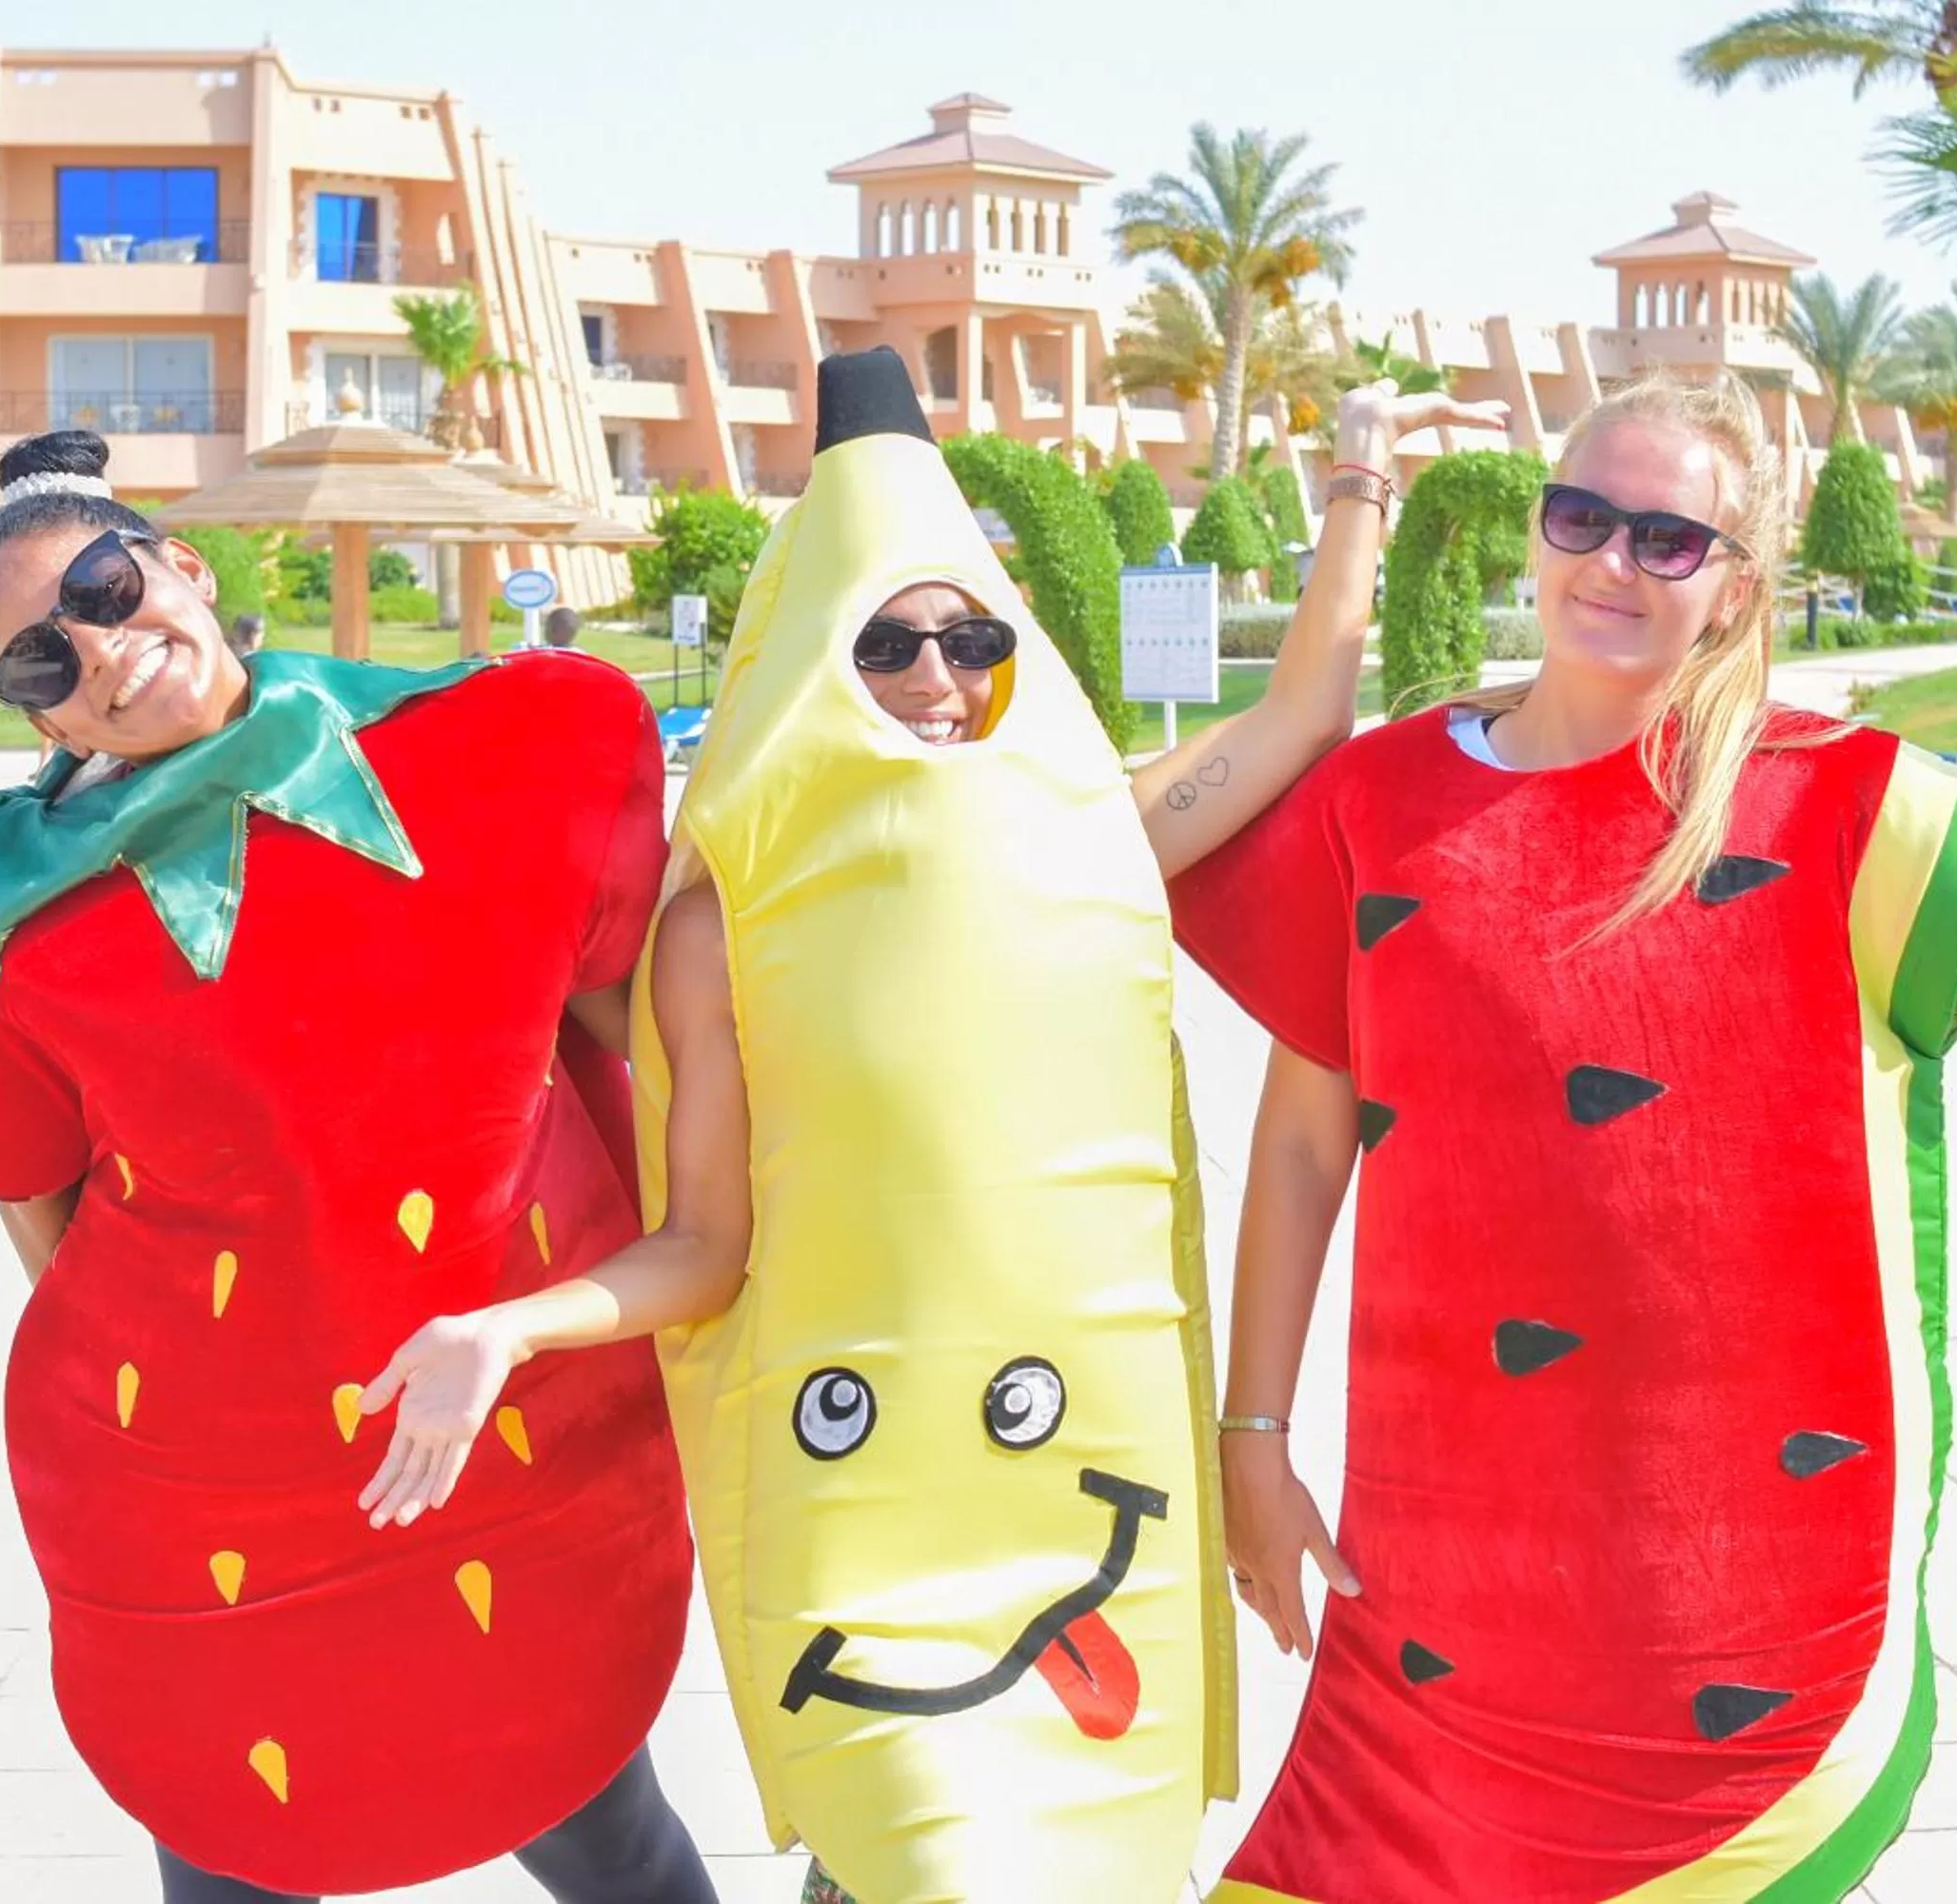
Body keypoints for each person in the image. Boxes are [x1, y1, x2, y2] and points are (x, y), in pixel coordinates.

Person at [352, 348, 1509, 1901]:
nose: (936, 680)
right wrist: (512, 1328)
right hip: (865, 1502)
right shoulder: (727, 930)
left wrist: (1359, 470)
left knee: (1076, 1854)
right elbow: (703, 1249)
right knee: (921, 1845)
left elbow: (1306, 706)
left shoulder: (1101, 840)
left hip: (1078, 1482)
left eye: (969, 639)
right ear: (810, 665)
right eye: (885, 648)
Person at [1167, 376, 1957, 1902]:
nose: (1610, 562)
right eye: (1580, 518)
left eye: (1665, 536)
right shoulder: (1383, 795)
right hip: (1439, 1574)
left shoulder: (1829, 803)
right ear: (1535, 530)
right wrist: (1252, 1441)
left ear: (1732, 585)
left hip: (1718, 1586)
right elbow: (1302, 1145)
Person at [0, 429, 714, 1904]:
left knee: (603, 1826)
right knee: (233, 1848)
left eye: (104, 584)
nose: (98, 646)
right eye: (39, 660)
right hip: (207, 1501)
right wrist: (176, 1426)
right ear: (34, 715)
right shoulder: (7, 935)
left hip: (506, 1426)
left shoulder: (502, 756)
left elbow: (649, 1050)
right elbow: (35, 1195)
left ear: (181, 563)